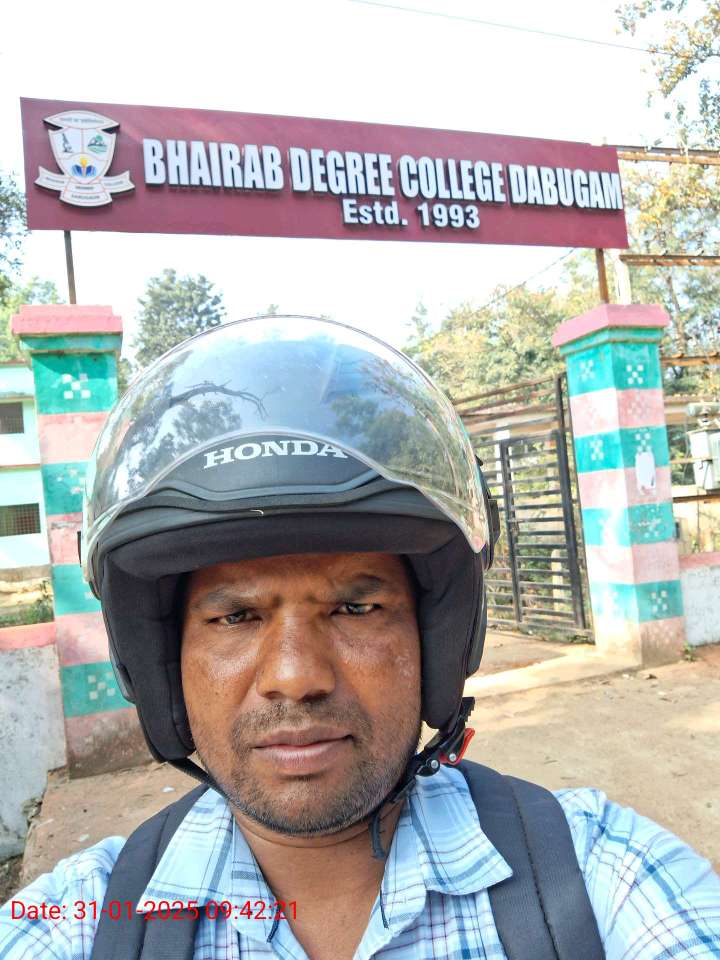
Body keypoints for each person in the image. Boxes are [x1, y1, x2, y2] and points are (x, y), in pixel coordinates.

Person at [1, 315, 718, 960]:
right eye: (236, 617)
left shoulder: (596, 872)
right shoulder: (85, 919)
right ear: (161, 663)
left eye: (355, 608)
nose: (294, 676)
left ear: (440, 642)